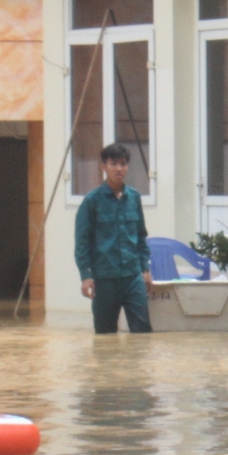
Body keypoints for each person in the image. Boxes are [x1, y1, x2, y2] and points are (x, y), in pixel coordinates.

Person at [75, 143, 152, 335]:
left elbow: (141, 236)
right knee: (105, 337)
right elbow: (82, 243)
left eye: (123, 164)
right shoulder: (92, 201)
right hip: (104, 279)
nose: (119, 169)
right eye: (114, 164)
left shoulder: (134, 198)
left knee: (142, 333)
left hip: (133, 277)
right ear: (104, 166)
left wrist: (145, 269)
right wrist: (86, 276)